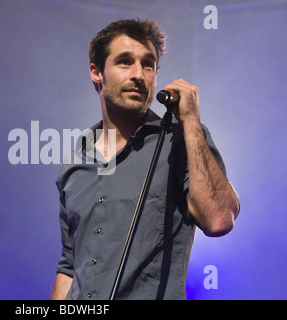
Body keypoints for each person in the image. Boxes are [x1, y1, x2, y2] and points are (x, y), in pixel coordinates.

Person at [49, 18, 240, 300]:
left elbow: (219, 220)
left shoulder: (181, 140)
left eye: (148, 64)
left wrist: (190, 121)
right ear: (96, 72)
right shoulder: (75, 161)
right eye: (125, 62)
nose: (139, 74)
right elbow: (69, 266)